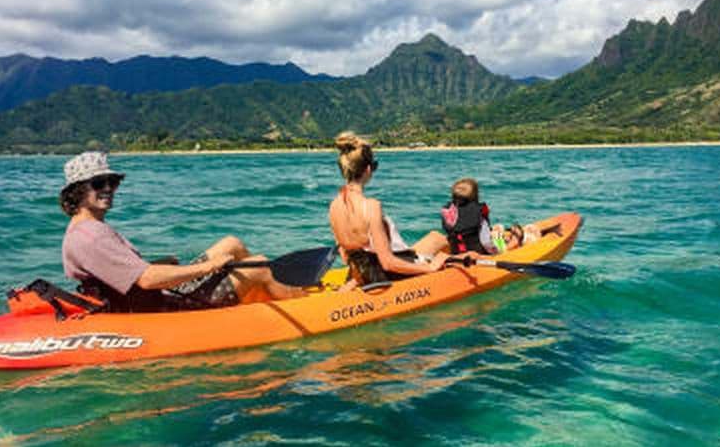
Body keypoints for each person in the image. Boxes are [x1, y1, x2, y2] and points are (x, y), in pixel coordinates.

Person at [59, 151, 304, 312]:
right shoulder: (91, 237)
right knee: (261, 264)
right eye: (99, 184)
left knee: (232, 244)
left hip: (155, 294)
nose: (109, 189)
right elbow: (147, 279)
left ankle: (261, 299)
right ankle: (306, 308)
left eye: (112, 182)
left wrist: (160, 264)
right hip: (164, 305)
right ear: (77, 191)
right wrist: (207, 267)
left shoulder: (85, 230)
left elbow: (120, 271)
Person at [328, 132, 450, 288]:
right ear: (368, 169)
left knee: (433, 237)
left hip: (365, 273)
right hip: (386, 276)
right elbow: (388, 263)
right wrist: (429, 268)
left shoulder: (334, 206)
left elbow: (346, 256)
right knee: (440, 242)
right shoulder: (371, 206)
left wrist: (356, 280)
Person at [440, 178, 497, 255]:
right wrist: (497, 252)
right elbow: (486, 242)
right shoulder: (479, 211)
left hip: (456, 253)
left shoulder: (448, 212)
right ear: (475, 195)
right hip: (476, 255)